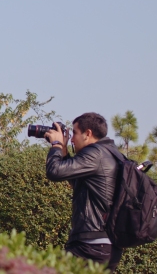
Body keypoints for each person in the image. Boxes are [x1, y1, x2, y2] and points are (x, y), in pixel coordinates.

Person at [45, 112, 123, 272]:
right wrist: (65, 153)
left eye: (74, 133)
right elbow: (77, 182)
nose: (72, 139)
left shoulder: (96, 153)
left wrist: (57, 145)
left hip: (91, 245)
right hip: (104, 245)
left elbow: (54, 171)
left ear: (88, 134)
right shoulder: (110, 153)